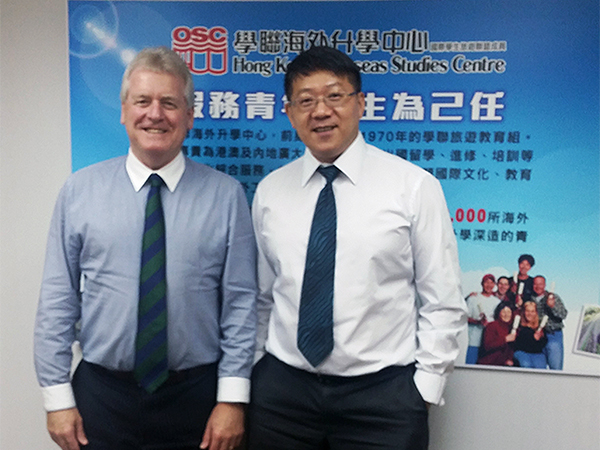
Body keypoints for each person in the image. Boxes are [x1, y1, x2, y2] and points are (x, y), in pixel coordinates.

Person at [34, 47, 257, 450]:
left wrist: (232, 399)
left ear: (189, 115)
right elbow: (57, 298)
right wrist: (56, 397)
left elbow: (241, 304)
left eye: (169, 103)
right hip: (102, 397)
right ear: (124, 111)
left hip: (197, 399)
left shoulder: (226, 196)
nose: (155, 114)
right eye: (142, 101)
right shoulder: (80, 191)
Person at [248, 46, 466, 450]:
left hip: (382, 399)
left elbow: (443, 300)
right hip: (283, 397)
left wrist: (424, 388)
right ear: (289, 112)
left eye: (335, 96)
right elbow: (263, 296)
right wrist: (258, 370)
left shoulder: (413, 186)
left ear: (361, 103)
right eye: (306, 100)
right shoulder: (270, 191)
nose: (321, 111)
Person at [532, 275, 568, 370]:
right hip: (536, 338)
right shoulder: (530, 299)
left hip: (553, 335)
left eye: (540, 284)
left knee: (555, 368)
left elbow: (563, 314)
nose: (538, 287)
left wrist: (552, 307)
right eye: (535, 284)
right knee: (538, 370)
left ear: (545, 285)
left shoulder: (554, 297)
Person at [465, 274, 501, 364]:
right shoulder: (473, 298)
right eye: (486, 282)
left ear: (494, 285)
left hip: (489, 342)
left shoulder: (497, 302)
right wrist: (477, 322)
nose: (489, 285)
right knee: (471, 365)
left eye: (491, 283)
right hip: (474, 340)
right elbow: (465, 318)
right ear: (482, 284)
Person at [477, 302, 517, 366]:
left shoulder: (512, 328)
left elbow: (511, 349)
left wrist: (509, 359)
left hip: (503, 364)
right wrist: (505, 339)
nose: (506, 315)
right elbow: (487, 346)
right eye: (503, 312)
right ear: (499, 313)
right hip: (488, 364)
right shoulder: (492, 326)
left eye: (509, 312)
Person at [513, 301, 548, 369]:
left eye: (532, 311)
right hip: (522, 352)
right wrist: (533, 338)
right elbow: (517, 344)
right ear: (524, 312)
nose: (530, 314)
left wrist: (539, 339)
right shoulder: (518, 326)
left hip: (537, 353)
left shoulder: (539, 327)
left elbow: (543, 344)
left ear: (536, 313)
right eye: (527, 311)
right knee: (526, 364)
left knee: (540, 366)